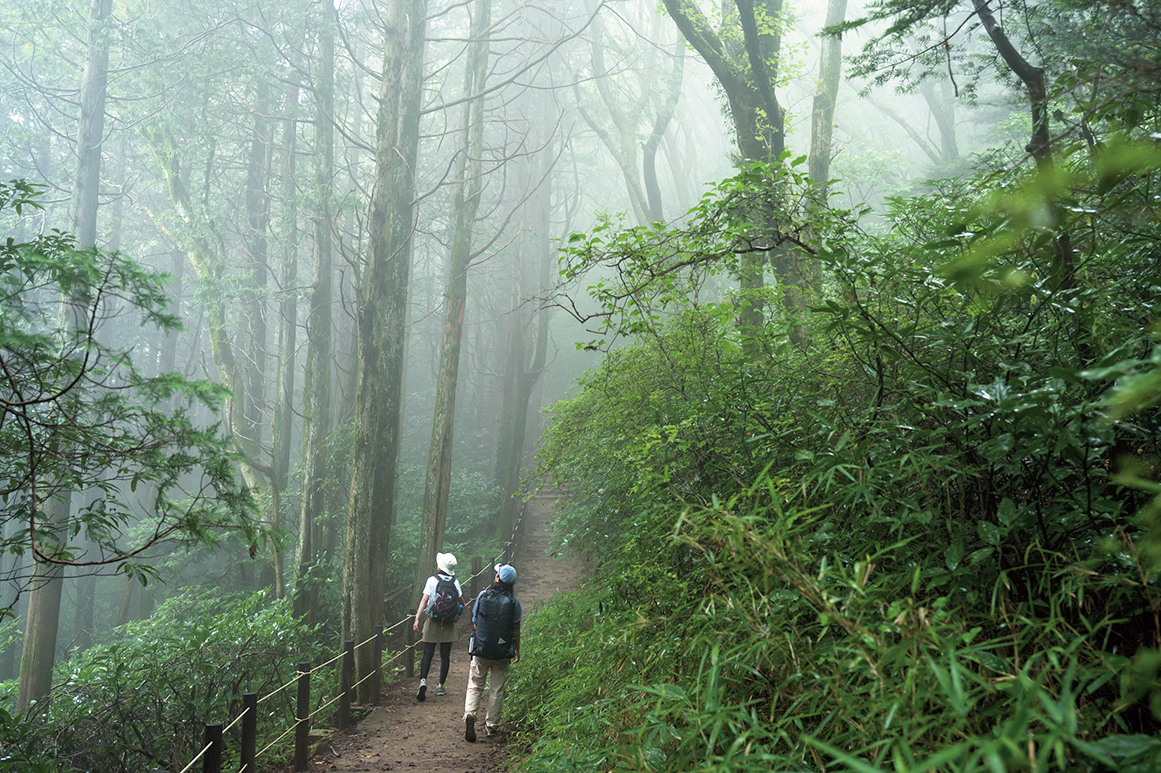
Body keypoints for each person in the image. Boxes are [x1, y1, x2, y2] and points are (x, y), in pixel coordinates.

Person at [463, 563, 521, 742]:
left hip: (481, 648)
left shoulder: (483, 595)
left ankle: (470, 714)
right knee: (497, 689)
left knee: (475, 684)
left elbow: (474, 621)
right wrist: (517, 648)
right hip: (502, 651)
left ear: (497, 579)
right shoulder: (514, 603)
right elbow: (515, 629)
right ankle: (492, 726)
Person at [412, 552, 468, 701]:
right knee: (445, 655)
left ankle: (423, 681)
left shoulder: (432, 580)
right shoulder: (455, 582)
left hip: (432, 621)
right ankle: (440, 685)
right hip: (448, 623)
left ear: (440, 566)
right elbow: (462, 602)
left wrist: (417, 618)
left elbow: (424, 600)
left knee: (428, 653)